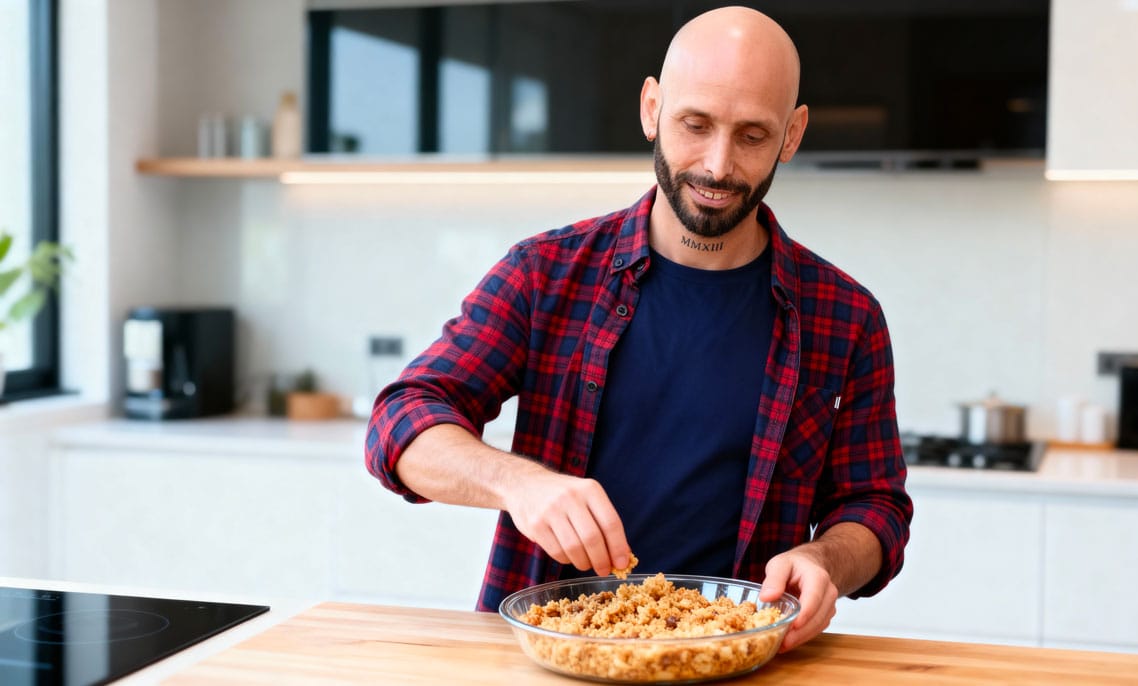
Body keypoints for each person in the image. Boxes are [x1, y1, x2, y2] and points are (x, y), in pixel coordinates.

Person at [366, 5, 912, 652]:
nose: (717, 165)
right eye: (695, 124)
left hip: (739, 656)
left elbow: (875, 508)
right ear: (652, 108)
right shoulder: (545, 274)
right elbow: (399, 423)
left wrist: (827, 562)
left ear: (792, 136)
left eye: (753, 136)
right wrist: (519, 484)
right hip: (556, 653)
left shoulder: (845, 317)